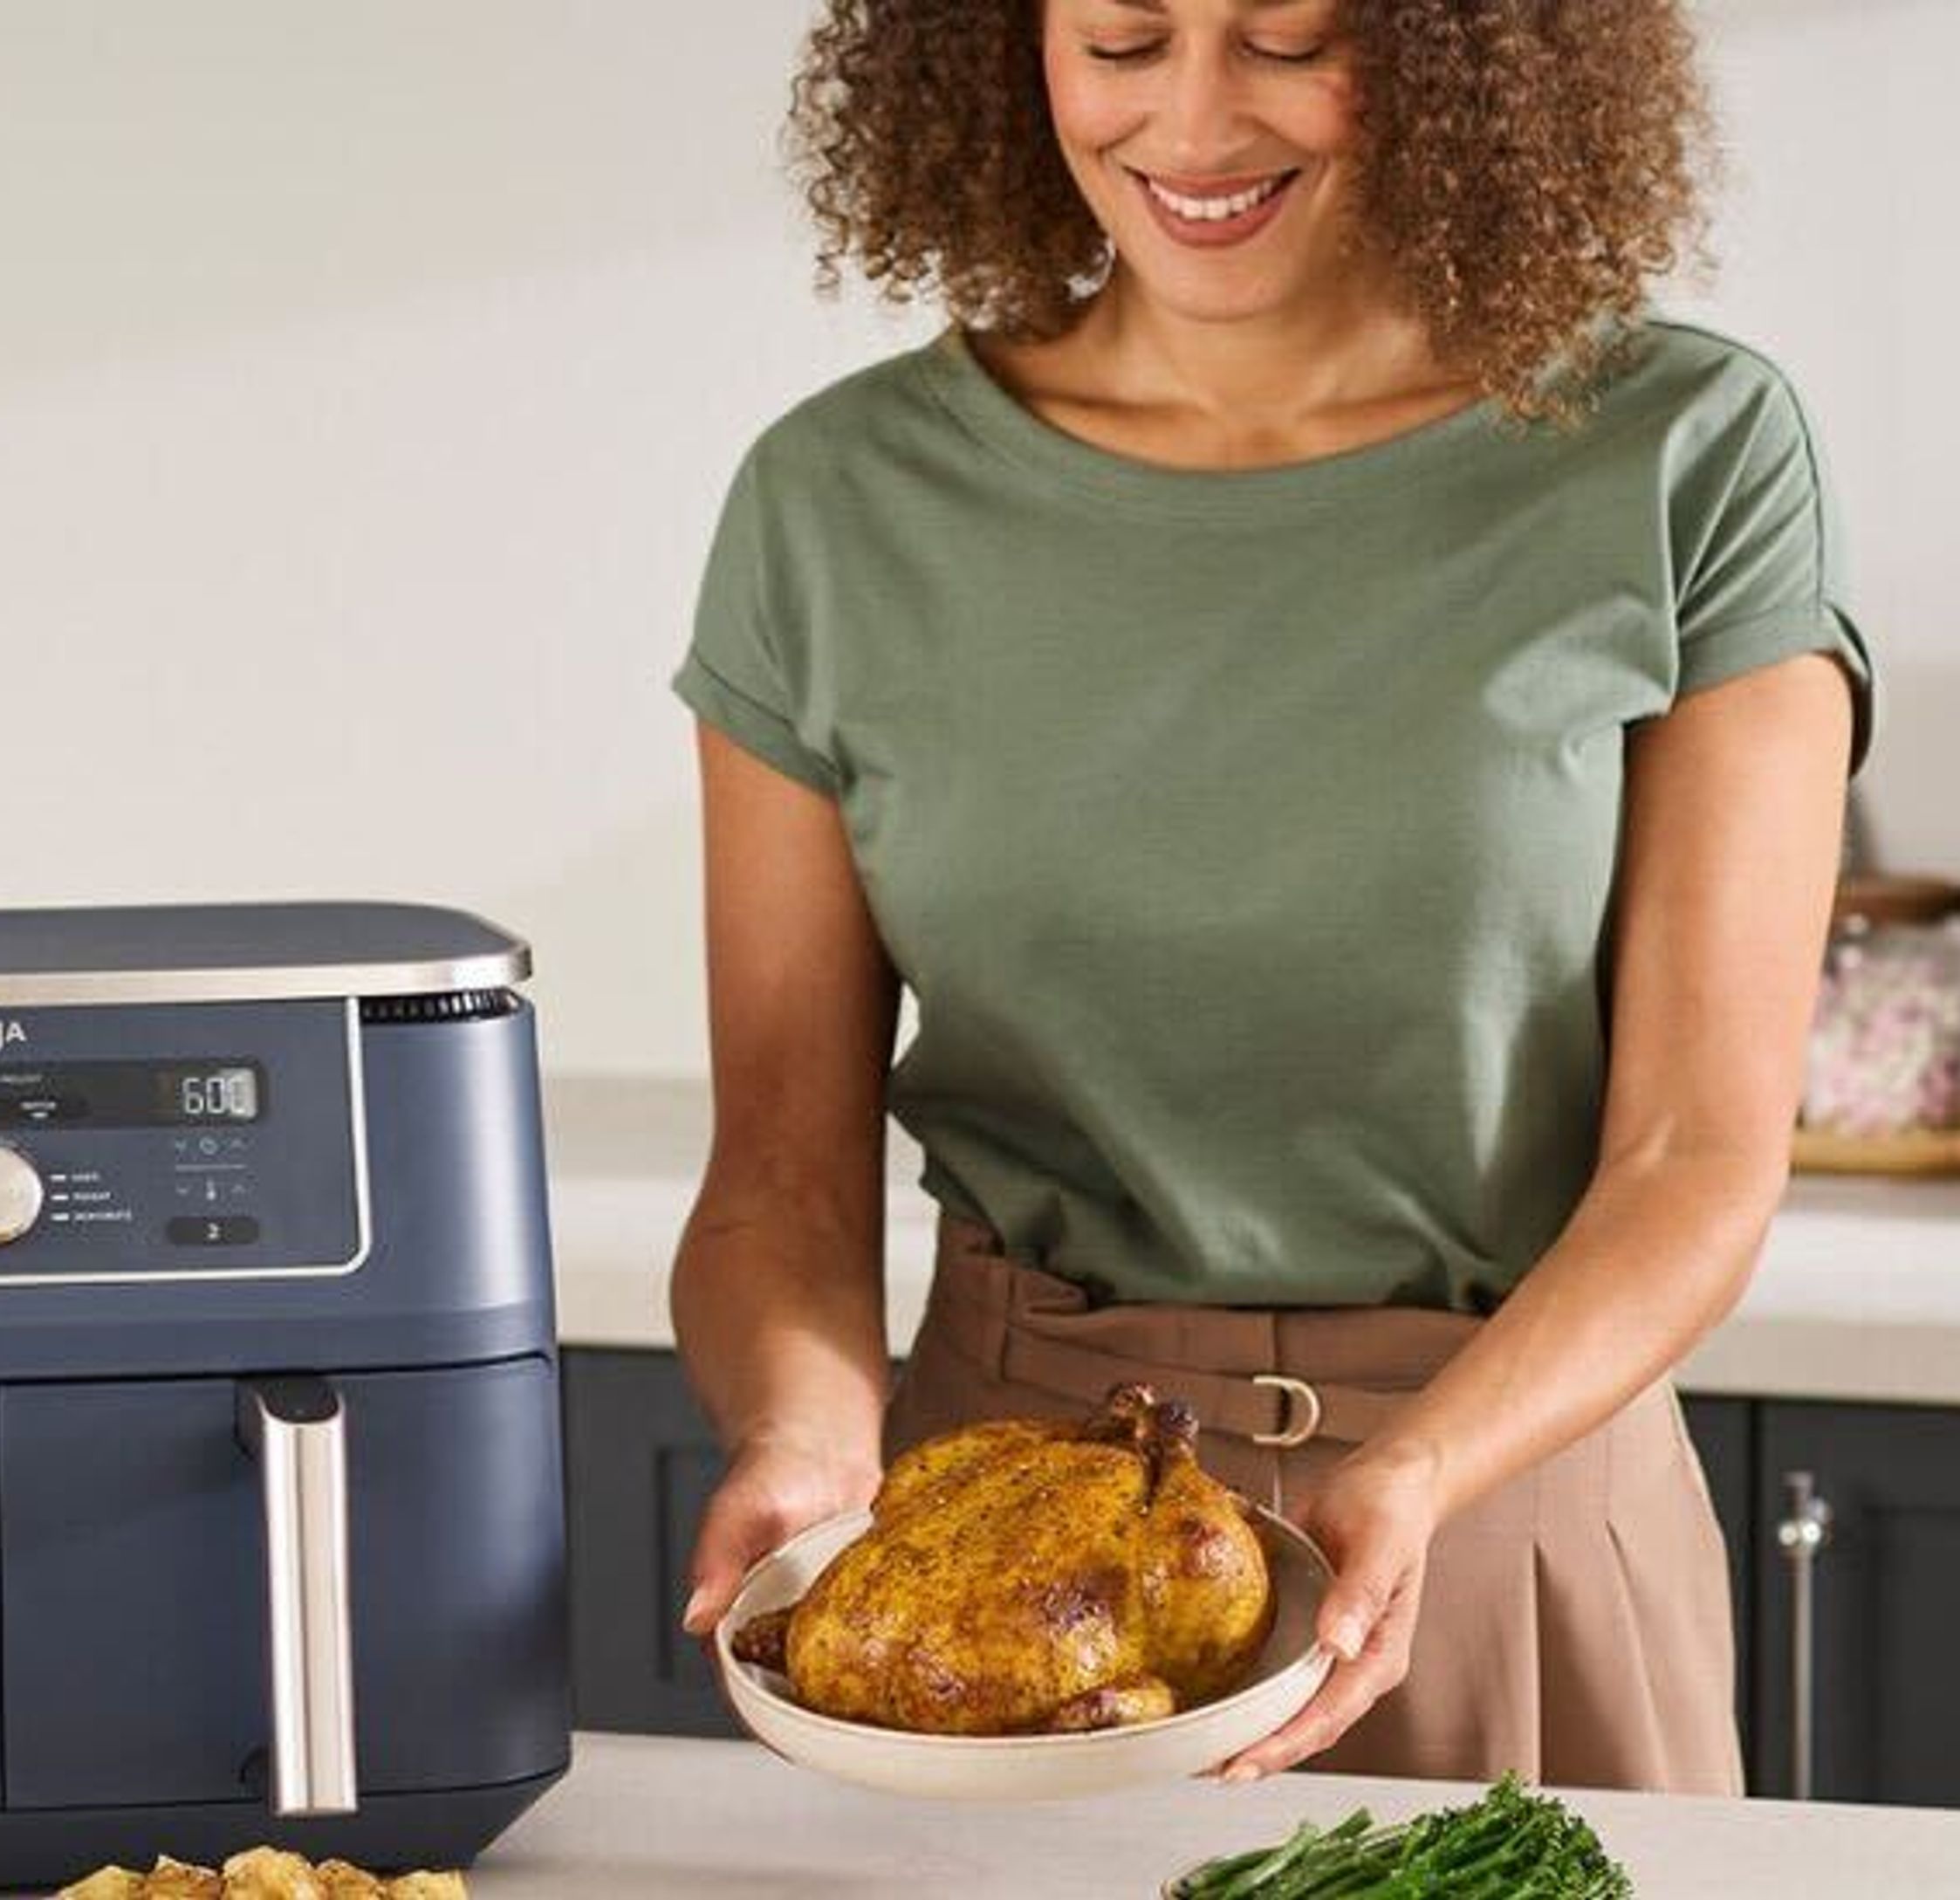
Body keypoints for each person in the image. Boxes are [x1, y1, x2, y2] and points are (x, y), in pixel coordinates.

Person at [665, 0, 1871, 1794]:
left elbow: (1696, 1159)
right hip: (995, 1597)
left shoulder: (1686, 452)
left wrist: (1421, 1474)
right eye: (1126, 39)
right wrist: (802, 1432)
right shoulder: (836, 504)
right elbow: (778, 1173)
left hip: (1502, 1513)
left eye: (1289, 39)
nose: (1196, 123)